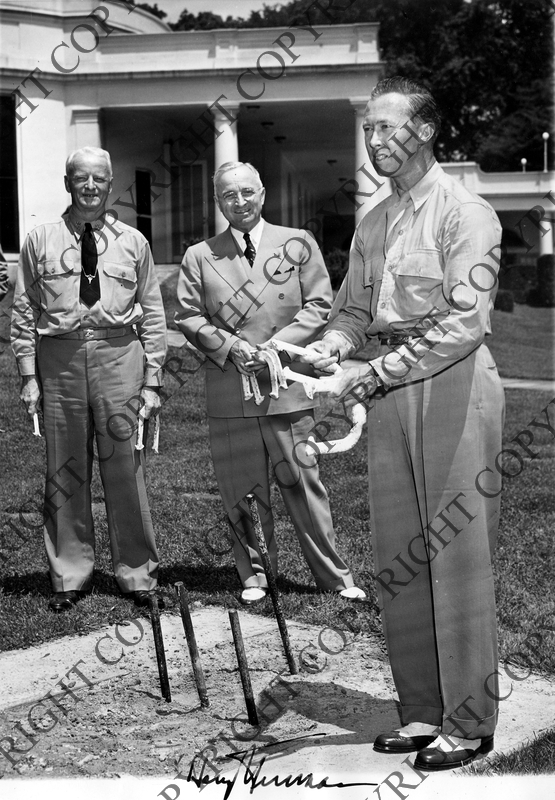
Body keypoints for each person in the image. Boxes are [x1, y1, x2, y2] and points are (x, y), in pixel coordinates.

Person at [302, 78, 504, 770]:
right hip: (388, 391)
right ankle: (420, 711)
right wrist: (331, 348)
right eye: (369, 130)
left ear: (424, 131)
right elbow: (353, 312)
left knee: (456, 558)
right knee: (401, 558)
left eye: (389, 129)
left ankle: (469, 720)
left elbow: (463, 323)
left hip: (450, 385)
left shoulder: (464, 213)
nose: (375, 142)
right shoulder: (374, 220)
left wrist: (371, 373)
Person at [175, 161, 364, 605]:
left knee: (302, 482)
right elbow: (187, 315)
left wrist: (275, 349)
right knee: (241, 489)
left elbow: (320, 304)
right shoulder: (199, 255)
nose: (238, 202)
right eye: (228, 195)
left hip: (288, 385)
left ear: (262, 194)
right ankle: (255, 575)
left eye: (246, 192)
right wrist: (230, 347)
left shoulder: (298, 243)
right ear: (217, 201)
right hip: (230, 388)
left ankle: (334, 577)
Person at [11, 146, 167, 612]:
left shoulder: (134, 242)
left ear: (110, 182)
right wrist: (28, 376)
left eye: (99, 178)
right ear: (68, 182)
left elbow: (154, 313)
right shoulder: (40, 240)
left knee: (125, 467)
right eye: (82, 178)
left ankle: (137, 574)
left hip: (119, 356)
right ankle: (69, 575)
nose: (91, 187)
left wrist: (153, 380)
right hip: (58, 359)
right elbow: (23, 313)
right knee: (65, 469)